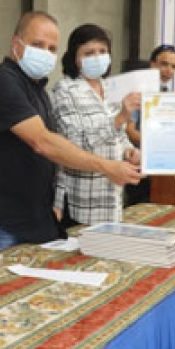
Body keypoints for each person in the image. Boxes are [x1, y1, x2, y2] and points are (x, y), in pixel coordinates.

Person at [0, 11, 142, 257]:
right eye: (37, 45)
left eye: (51, 48)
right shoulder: (1, 83)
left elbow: (53, 151)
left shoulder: (38, 90)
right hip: (1, 221)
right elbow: (43, 142)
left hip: (33, 216)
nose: (45, 53)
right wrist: (106, 166)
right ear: (16, 44)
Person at [51, 23, 140, 227]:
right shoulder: (65, 90)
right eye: (89, 53)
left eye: (102, 51)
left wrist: (129, 151)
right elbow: (74, 143)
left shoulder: (110, 88)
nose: (97, 57)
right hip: (81, 199)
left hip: (112, 196)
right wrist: (120, 117)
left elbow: (119, 135)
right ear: (75, 57)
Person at [124, 43, 175, 205]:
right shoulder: (136, 94)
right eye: (164, 64)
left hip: (164, 166)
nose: (168, 70)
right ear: (152, 64)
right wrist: (157, 144)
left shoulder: (170, 96)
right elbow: (130, 131)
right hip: (139, 163)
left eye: (173, 67)